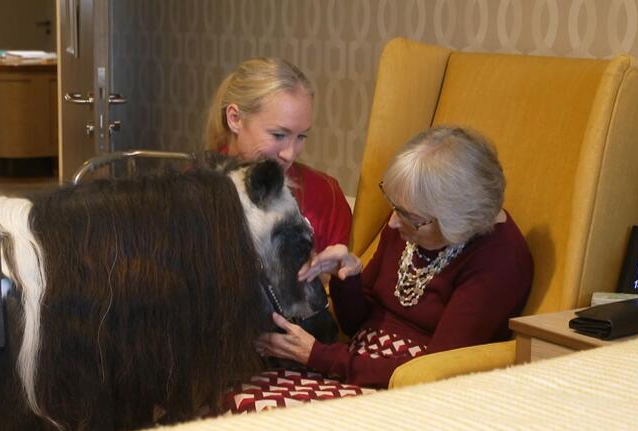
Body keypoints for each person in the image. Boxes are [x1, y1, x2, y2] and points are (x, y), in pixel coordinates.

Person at [254, 126, 534, 388]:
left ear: (456, 223)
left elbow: (433, 373)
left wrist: (319, 356)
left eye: (409, 216)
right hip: (354, 365)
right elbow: (356, 324)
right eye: (395, 207)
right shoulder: (412, 222)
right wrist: (347, 277)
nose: (392, 223)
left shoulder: (499, 262)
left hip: (404, 390)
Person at [204, 58, 352, 253]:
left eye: (301, 136)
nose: (289, 154)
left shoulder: (324, 196)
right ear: (235, 118)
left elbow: (336, 279)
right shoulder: (196, 191)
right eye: (278, 135)